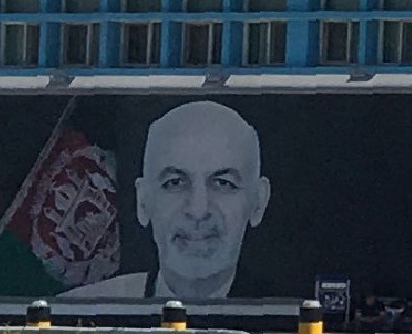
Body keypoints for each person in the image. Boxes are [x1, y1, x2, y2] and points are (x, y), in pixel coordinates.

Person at [77, 100, 271, 303]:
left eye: (223, 183)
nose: (198, 210)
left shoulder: (286, 311)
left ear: (258, 202)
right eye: (175, 183)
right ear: (142, 201)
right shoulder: (84, 309)